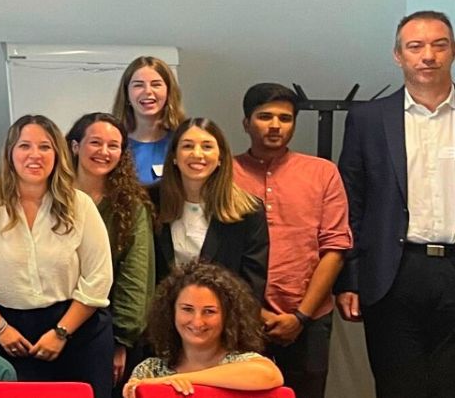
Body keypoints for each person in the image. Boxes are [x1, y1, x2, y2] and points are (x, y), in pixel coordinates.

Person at [0, 115, 115, 398]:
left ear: (58, 154)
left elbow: (98, 278)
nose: (35, 155)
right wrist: (0, 328)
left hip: (75, 330)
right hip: (1, 330)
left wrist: (61, 332)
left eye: (45, 147)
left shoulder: (80, 205)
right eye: (25, 146)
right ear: (10, 153)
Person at [336, 10, 455, 398]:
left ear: (453, 51)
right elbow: (351, 202)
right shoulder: (368, 119)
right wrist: (350, 278)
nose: (428, 56)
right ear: (397, 55)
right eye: (415, 46)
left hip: (453, 265)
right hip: (393, 273)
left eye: (439, 45)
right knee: (398, 387)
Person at [231, 83, 351, 398]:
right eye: (265, 116)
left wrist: (300, 317)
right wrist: (255, 313)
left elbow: (335, 248)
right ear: (246, 123)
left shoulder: (323, 173)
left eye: (285, 118)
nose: (275, 125)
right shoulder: (225, 173)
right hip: (239, 316)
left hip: (310, 317)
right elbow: (217, 254)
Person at [65, 112, 155, 380]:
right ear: (75, 146)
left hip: (104, 330)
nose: (104, 152)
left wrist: (120, 340)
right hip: (51, 325)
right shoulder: (52, 199)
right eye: (95, 142)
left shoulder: (131, 206)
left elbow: (135, 277)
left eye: (113, 145)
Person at [150, 118, 269, 303]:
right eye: (187, 146)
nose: (197, 154)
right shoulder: (150, 202)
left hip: (224, 315)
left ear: (220, 157)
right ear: (174, 156)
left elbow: (252, 287)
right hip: (163, 314)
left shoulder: (249, 211)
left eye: (207, 147)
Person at [122, 261, 282, 398]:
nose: (197, 322)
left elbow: (269, 375)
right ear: (171, 312)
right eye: (187, 309)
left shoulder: (243, 362)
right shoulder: (150, 370)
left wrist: (180, 380)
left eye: (209, 311)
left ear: (228, 317)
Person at [109, 56, 186, 185]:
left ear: (169, 92)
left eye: (156, 84)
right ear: (126, 93)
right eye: (138, 85)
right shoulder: (112, 145)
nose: (148, 91)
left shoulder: (183, 143)